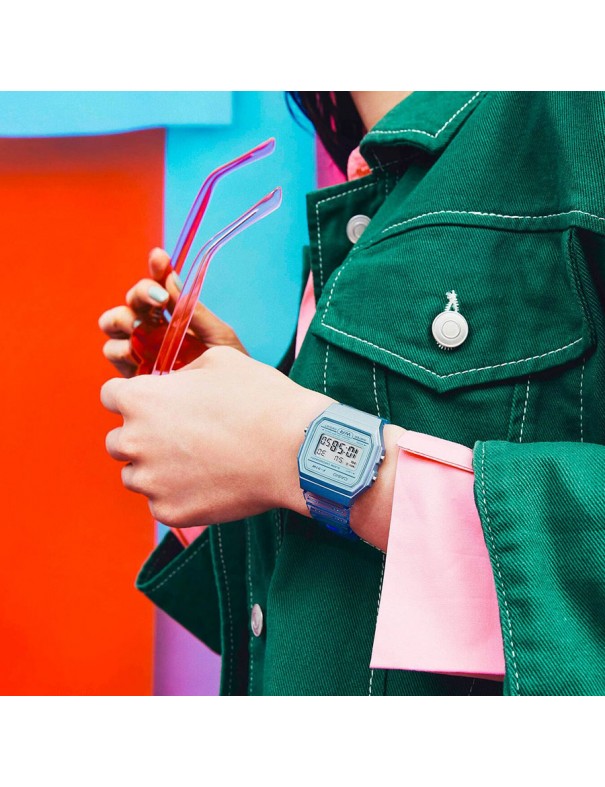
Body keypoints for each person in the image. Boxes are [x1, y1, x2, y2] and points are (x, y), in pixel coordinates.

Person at [99, 91, 605, 696]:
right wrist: (228, 432)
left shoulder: (577, 115)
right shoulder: (369, 195)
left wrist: (299, 453)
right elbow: (326, 615)